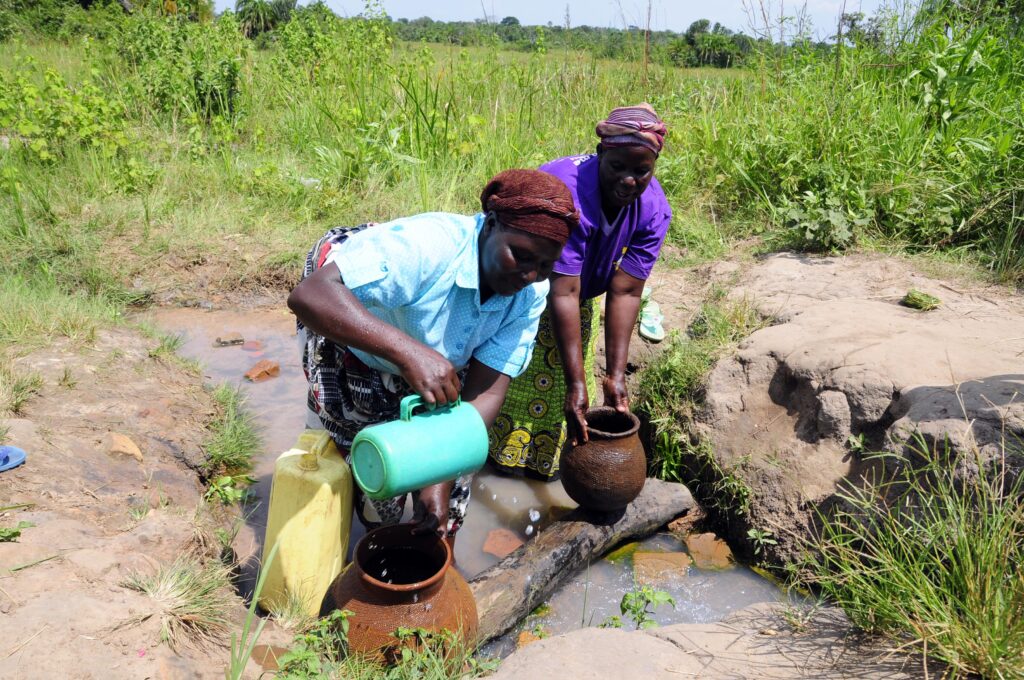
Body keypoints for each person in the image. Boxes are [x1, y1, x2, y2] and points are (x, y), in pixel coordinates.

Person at [287, 169, 578, 548]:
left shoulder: (530, 293)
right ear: (490, 225)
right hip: (351, 302)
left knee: (450, 493)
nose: (530, 274)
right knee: (372, 462)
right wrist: (407, 353)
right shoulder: (426, 248)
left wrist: (437, 475)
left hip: (431, 339)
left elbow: (484, 395)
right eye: (520, 256)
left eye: (545, 265)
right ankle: (375, 538)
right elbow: (309, 296)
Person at [489, 103, 672, 481]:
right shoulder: (565, 193)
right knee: (509, 379)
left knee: (567, 396)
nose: (628, 181)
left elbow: (626, 292)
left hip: (576, 298)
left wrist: (615, 376)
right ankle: (493, 467)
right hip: (522, 287)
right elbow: (562, 290)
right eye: (617, 167)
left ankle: (543, 471)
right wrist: (577, 383)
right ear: (600, 152)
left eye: (642, 171)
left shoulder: (653, 209)